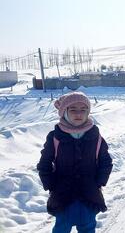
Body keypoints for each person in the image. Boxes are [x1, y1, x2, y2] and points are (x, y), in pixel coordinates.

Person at [37, 91, 113, 233]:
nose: (78, 114)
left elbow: (105, 162)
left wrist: (98, 183)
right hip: (63, 195)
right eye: (73, 110)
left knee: (88, 226)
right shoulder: (55, 137)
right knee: (62, 227)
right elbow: (44, 164)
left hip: (89, 194)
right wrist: (51, 185)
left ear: (88, 112)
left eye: (83, 110)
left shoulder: (95, 136)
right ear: (64, 112)